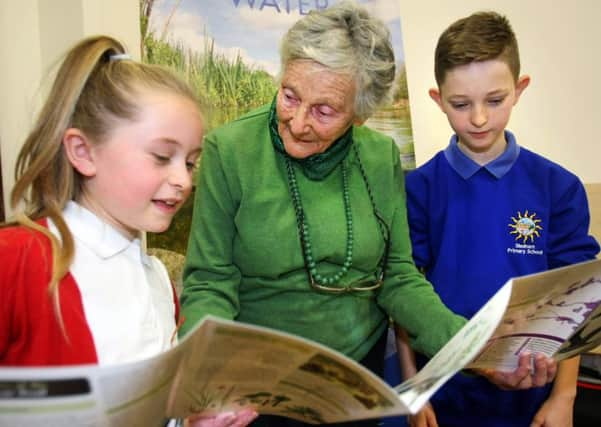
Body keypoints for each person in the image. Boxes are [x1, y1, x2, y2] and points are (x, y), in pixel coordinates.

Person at [180, 3, 556, 426]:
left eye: (324, 111)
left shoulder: (378, 157)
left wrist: (474, 348)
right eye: (289, 95)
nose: (297, 121)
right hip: (257, 384)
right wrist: (208, 380)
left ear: (360, 115)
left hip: (356, 377)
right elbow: (209, 283)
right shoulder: (228, 151)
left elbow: (399, 277)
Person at [0, 35, 256, 427]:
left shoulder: (157, 279)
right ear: (83, 152)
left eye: (189, 163)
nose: (184, 181)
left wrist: (189, 422)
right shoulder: (17, 260)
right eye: (161, 157)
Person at [397, 10, 601, 427]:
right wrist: (415, 394)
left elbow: (578, 297)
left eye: (495, 100)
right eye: (460, 104)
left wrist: (564, 397)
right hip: (446, 394)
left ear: (519, 89)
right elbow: (403, 295)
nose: (478, 118)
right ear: (437, 99)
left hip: (532, 397)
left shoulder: (557, 187)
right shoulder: (419, 188)